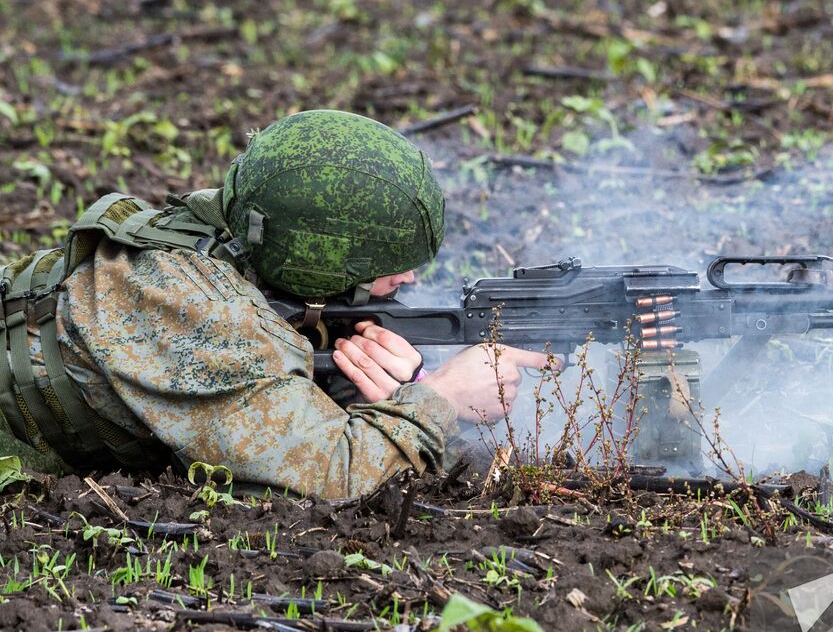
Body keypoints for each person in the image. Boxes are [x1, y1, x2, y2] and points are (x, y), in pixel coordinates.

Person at [0, 109, 548, 499]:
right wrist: (443, 399)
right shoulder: (199, 311)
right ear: (316, 257)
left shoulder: (238, 235)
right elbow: (335, 477)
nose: (404, 278)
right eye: (384, 266)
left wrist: (386, 395)